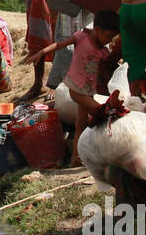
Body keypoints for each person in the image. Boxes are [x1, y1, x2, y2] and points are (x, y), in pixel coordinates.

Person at [26, 9, 121, 158]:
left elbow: (108, 67)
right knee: (105, 111)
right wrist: (42, 52)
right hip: (76, 89)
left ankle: (76, 158)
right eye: (108, 36)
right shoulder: (82, 37)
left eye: (112, 38)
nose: (109, 40)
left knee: (80, 126)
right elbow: (59, 45)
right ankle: (110, 150)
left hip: (88, 91)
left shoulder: (103, 50)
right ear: (97, 30)